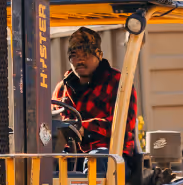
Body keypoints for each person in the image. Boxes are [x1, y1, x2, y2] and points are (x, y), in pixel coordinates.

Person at [53, 27, 138, 156]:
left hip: (112, 156)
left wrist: (83, 128)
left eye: (86, 55)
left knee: (98, 157)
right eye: (74, 56)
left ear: (99, 55)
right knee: (47, 164)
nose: (80, 60)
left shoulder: (118, 83)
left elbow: (124, 124)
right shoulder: (62, 88)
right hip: (72, 156)